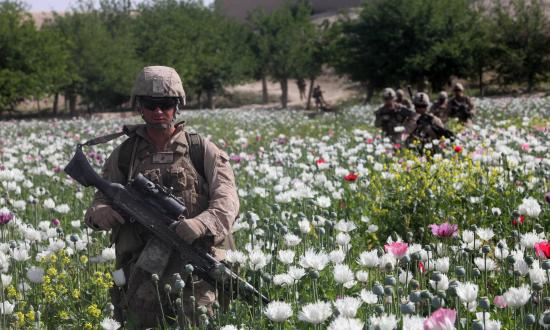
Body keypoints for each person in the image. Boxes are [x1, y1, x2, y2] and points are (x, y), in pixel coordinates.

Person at [84, 66, 239, 328]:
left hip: (196, 268)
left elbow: (227, 202)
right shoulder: (125, 155)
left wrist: (201, 224)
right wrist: (100, 212)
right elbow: (100, 199)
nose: (158, 112)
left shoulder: (201, 150)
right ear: (139, 107)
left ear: (177, 106)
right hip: (141, 271)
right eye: (150, 104)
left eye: (166, 104)